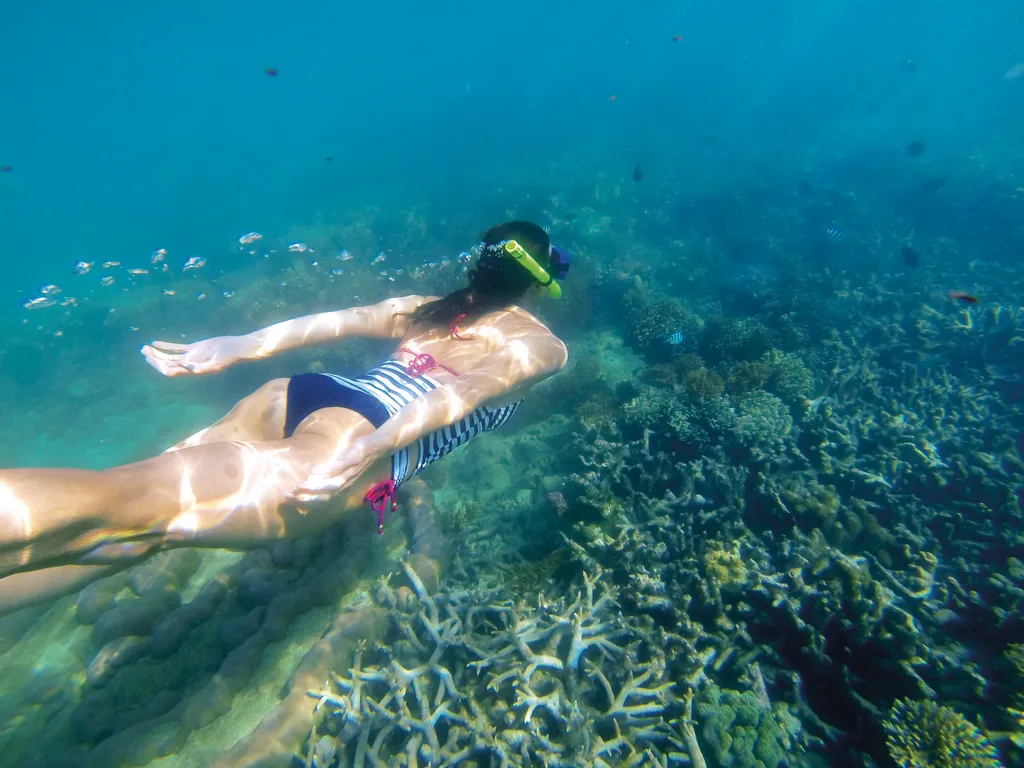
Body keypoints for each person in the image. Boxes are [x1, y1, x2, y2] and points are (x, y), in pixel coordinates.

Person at [0, 221, 570, 615]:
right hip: (358, 430)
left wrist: (241, 345)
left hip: (297, 394)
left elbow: (335, 321)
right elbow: (462, 396)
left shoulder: (428, 306)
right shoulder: (541, 345)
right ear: (538, 283)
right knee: (134, 502)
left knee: (135, 530)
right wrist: (374, 447)